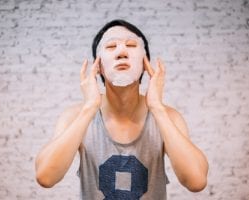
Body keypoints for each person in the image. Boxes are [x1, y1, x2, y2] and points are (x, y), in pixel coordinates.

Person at [35, 19, 209, 199]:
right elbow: (45, 177)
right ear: (99, 67)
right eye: (111, 47)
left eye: (131, 45)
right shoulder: (75, 116)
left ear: (144, 64)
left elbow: (196, 181)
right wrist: (89, 108)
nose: (121, 52)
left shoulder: (168, 117)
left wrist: (157, 108)